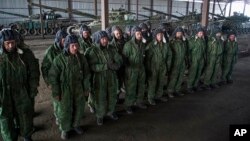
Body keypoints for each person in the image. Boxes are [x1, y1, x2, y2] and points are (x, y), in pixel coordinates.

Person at [49, 34, 90, 140]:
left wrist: (86, 88)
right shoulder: (59, 60)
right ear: (67, 46)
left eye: (77, 45)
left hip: (78, 87)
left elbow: (86, 74)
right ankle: (65, 129)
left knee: (79, 107)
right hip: (64, 89)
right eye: (72, 46)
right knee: (64, 110)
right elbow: (53, 78)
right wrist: (56, 93)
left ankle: (76, 125)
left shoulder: (81, 58)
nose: (75, 48)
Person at [0, 29, 39, 141]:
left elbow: (34, 72)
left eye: (13, 42)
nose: (11, 45)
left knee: (25, 115)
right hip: (4, 93)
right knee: (6, 120)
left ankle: (27, 136)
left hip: (22, 91)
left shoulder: (25, 54)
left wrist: (32, 88)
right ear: (2, 43)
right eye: (7, 43)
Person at [85, 31, 122, 125]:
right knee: (100, 97)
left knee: (112, 95)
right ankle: (100, 115)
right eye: (103, 39)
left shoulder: (111, 49)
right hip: (99, 78)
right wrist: (105, 66)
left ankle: (111, 111)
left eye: (106, 38)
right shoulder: (92, 51)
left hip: (111, 76)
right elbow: (91, 66)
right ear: (98, 40)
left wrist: (117, 64)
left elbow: (118, 58)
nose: (105, 41)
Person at [41, 30, 68, 125]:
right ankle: (58, 116)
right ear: (59, 40)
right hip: (55, 80)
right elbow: (45, 68)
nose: (66, 42)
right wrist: (48, 82)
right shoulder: (50, 51)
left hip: (67, 80)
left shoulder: (68, 48)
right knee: (58, 100)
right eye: (64, 40)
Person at [123, 26, 148, 114]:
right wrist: (129, 67)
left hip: (141, 68)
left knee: (141, 86)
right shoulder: (128, 45)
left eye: (141, 34)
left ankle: (139, 102)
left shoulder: (142, 44)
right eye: (138, 34)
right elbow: (125, 57)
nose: (140, 35)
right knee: (131, 88)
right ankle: (128, 105)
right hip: (131, 70)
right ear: (134, 34)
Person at [145, 28, 171, 105]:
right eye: (158, 35)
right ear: (155, 36)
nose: (160, 36)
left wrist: (167, 66)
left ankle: (158, 96)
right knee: (153, 83)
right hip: (153, 67)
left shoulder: (166, 45)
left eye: (161, 34)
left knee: (161, 82)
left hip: (162, 67)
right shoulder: (151, 45)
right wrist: (148, 69)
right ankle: (151, 98)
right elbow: (147, 59)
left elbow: (169, 56)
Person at [167, 27, 187, 97]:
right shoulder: (172, 42)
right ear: (175, 34)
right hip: (175, 63)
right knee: (173, 77)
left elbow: (186, 52)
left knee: (180, 77)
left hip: (182, 62)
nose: (180, 35)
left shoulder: (184, 42)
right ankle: (170, 91)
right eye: (178, 33)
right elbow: (168, 54)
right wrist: (169, 64)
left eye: (181, 33)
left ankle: (177, 90)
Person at [186, 28, 207, 93]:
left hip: (201, 59)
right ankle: (189, 86)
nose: (201, 34)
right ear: (197, 33)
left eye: (202, 33)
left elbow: (204, 51)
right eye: (200, 33)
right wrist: (189, 60)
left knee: (198, 73)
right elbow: (188, 51)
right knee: (193, 73)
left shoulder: (203, 40)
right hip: (194, 59)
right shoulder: (192, 40)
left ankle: (195, 85)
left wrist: (204, 59)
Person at [110, 26, 126, 95]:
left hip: (125, 66)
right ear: (114, 35)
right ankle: (116, 100)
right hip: (117, 67)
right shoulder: (111, 45)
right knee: (117, 85)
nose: (119, 35)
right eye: (117, 34)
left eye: (120, 33)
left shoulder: (125, 42)